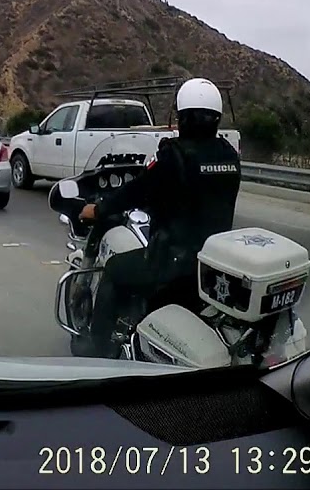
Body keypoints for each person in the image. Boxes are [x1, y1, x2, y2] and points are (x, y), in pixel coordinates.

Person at [76, 78, 243, 358]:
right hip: (210, 266)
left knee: (115, 270)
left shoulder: (174, 156)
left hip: (174, 263)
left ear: (183, 116)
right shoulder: (229, 156)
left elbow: (137, 190)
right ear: (216, 117)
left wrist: (99, 209)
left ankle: (97, 349)